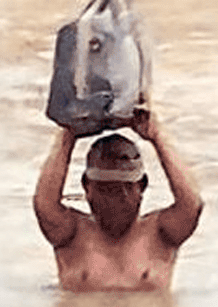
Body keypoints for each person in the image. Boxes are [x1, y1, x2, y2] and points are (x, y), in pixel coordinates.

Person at [33, 109, 202, 292]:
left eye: (124, 189)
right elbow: (44, 203)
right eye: (105, 190)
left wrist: (157, 137)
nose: (114, 201)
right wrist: (67, 137)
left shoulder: (160, 234)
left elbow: (191, 204)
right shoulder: (71, 234)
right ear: (86, 186)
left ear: (142, 186)